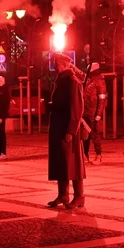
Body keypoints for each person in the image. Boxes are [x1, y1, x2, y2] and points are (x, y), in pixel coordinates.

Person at [47, 53, 86, 209]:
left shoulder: (72, 81)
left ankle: (79, 197)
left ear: (62, 64)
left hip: (68, 129)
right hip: (58, 127)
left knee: (73, 163)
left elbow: (77, 109)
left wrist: (71, 130)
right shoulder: (61, 81)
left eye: (55, 63)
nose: (54, 66)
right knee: (61, 162)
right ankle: (63, 195)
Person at [83, 63, 108, 164]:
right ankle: (85, 155)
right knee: (85, 135)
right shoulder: (90, 81)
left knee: (95, 135)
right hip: (87, 112)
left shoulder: (100, 81)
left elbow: (102, 99)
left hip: (93, 113)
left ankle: (99, 155)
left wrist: (98, 114)